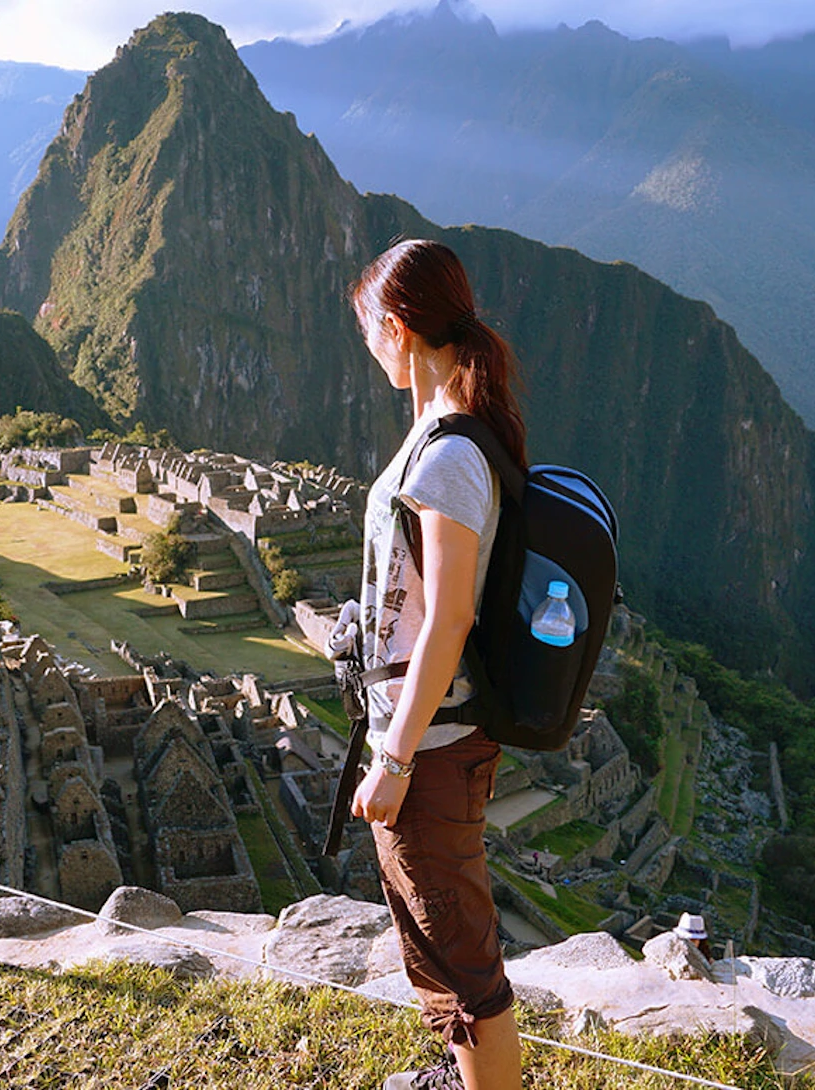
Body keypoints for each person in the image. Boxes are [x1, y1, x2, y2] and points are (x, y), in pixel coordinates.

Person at [343, 239, 527, 1090]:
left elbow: (451, 618)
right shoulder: (435, 436)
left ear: (400, 326)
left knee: (464, 965)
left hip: (435, 747)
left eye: (373, 331)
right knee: (435, 946)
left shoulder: (449, 455)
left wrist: (394, 759)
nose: (372, 348)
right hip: (428, 736)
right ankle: (457, 1078)